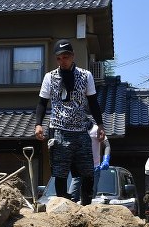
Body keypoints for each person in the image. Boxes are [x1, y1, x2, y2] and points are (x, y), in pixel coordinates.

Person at [34, 39, 106, 205]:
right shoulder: (49, 77)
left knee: (88, 171)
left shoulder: (85, 75)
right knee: (60, 172)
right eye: (59, 58)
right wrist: (38, 124)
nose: (62, 61)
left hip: (81, 130)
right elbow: (42, 103)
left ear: (72, 56)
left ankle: (86, 204)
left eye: (65, 57)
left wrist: (100, 125)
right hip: (59, 129)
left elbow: (93, 102)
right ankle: (62, 204)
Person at [69, 121, 111, 201]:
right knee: (72, 195)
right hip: (79, 168)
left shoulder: (96, 129)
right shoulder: (74, 130)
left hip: (94, 168)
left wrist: (106, 159)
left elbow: (107, 145)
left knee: (90, 195)